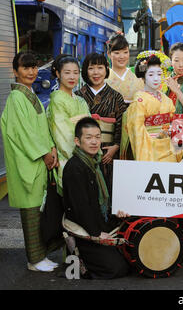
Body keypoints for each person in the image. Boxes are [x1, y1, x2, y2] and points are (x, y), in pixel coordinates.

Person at [1, 52, 60, 272]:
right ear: (15, 71)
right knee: (31, 211)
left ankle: (40, 256)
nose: (31, 72)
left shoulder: (29, 93)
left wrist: (51, 147)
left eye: (34, 67)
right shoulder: (17, 97)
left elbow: (40, 127)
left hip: (36, 160)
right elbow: (23, 133)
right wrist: (44, 153)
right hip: (29, 161)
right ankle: (34, 260)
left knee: (38, 210)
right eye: (25, 68)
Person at [62, 117, 130, 279]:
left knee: (132, 254)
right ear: (77, 141)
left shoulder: (96, 162)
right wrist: (96, 233)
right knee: (117, 268)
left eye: (97, 137)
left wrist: (117, 212)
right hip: (84, 229)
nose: (94, 142)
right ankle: (78, 261)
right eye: (89, 137)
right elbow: (80, 207)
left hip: (100, 221)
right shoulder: (74, 168)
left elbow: (105, 198)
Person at [75, 53, 127, 193]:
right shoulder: (78, 96)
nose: (96, 72)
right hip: (83, 150)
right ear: (85, 71)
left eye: (100, 67)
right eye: (91, 68)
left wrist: (115, 146)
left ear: (106, 70)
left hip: (108, 152)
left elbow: (122, 125)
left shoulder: (116, 97)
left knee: (109, 190)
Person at [122, 54, 181, 162]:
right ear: (143, 77)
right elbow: (137, 132)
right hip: (149, 148)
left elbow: (173, 121)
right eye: (151, 74)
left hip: (169, 147)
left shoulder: (166, 99)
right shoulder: (139, 101)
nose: (156, 78)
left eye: (159, 74)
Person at [47, 56, 90, 195]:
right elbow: (63, 134)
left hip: (86, 156)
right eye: (67, 72)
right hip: (69, 158)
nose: (72, 77)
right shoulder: (57, 100)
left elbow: (91, 127)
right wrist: (82, 155)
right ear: (58, 74)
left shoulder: (81, 100)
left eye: (75, 72)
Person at [106, 32, 144, 103]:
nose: (122, 56)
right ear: (109, 54)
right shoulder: (103, 78)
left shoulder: (138, 76)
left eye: (125, 52)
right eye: (117, 53)